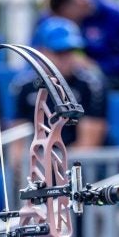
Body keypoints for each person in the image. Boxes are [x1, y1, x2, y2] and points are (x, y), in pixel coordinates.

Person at [13, 16, 108, 150]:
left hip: (77, 167)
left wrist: (55, 167)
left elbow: (88, 144)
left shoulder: (91, 86)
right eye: (58, 52)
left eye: (70, 51)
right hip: (37, 164)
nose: (66, 58)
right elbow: (18, 143)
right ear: (41, 51)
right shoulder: (23, 87)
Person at [45, 0, 119, 90]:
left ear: (69, 7)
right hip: (80, 78)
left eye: (65, 17)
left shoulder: (115, 17)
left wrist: (97, 66)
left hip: (116, 80)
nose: (66, 23)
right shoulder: (74, 18)